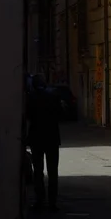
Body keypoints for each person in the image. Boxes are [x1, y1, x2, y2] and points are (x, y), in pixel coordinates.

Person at [27, 74, 62, 212]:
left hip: (37, 138)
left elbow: (28, 116)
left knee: (38, 171)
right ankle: (52, 203)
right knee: (53, 171)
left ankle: (39, 200)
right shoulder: (53, 96)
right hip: (52, 138)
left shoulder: (31, 98)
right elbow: (60, 114)